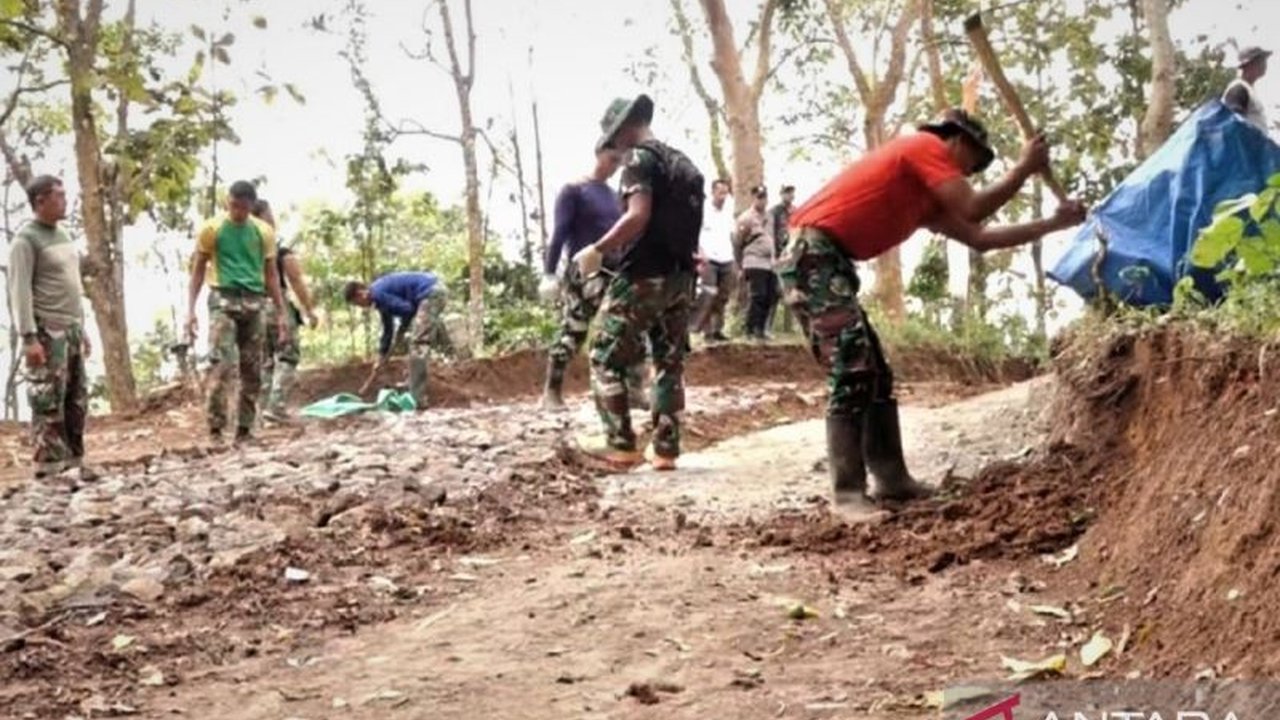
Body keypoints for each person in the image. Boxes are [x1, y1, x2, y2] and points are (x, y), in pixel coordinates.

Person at [782, 108, 1086, 510]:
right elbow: (975, 207)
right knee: (852, 365)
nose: (970, 176)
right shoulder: (924, 145)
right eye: (972, 165)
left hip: (831, 261)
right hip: (812, 253)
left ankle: (891, 478)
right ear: (957, 141)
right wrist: (1024, 168)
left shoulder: (925, 200)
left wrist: (1051, 224)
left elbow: (981, 238)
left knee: (875, 372)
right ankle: (847, 492)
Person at [571, 93, 703, 471]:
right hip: (681, 277)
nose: (616, 148)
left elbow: (637, 217)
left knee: (604, 355)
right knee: (669, 361)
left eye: (615, 139)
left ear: (626, 128)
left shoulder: (638, 160)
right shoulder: (684, 163)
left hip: (644, 274)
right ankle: (665, 450)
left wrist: (597, 250)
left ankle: (621, 445)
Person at [538, 147, 648, 411]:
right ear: (598, 154)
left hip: (613, 269)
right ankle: (551, 391)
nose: (614, 166)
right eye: (612, 159)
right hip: (584, 269)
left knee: (633, 324)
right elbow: (560, 232)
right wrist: (549, 272)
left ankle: (634, 389)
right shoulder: (575, 189)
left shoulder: (614, 196)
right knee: (575, 330)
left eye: (619, 162)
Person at [187, 180, 288, 443]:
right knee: (221, 364)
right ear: (227, 202)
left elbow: (271, 274)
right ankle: (216, 428)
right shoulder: (212, 229)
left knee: (252, 368)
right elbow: (198, 269)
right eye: (232, 206)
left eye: (242, 208)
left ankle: (245, 429)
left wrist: (281, 312)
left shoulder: (263, 232)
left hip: (255, 301)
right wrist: (190, 310)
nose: (237, 212)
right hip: (224, 299)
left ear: (251, 206)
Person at [8, 175, 92, 480]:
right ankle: (49, 469)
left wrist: (81, 327)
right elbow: (19, 291)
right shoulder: (26, 240)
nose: (64, 200)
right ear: (40, 201)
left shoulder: (64, 235)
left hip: (70, 328)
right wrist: (29, 337)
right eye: (58, 195)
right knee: (48, 401)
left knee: (76, 399)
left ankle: (74, 462)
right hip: (47, 331)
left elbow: (73, 285)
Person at [250, 200, 320, 423]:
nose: (273, 219)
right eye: (270, 214)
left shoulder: (246, 252)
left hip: (253, 309)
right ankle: (276, 406)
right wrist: (309, 311)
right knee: (287, 356)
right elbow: (297, 281)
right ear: (263, 218)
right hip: (276, 305)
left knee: (267, 362)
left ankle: (262, 412)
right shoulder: (280, 253)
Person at [343, 271, 447, 407]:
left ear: (361, 293)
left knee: (419, 343)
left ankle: (417, 397)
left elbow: (408, 309)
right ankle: (412, 384)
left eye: (358, 303)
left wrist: (402, 330)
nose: (361, 307)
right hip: (428, 292)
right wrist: (381, 356)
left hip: (431, 293)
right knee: (416, 340)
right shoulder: (378, 296)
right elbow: (388, 330)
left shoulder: (378, 295)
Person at [692, 178, 736, 342]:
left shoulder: (728, 210)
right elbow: (694, 233)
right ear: (713, 192)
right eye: (720, 192)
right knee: (709, 293)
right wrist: (699, 253)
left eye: (725, 192)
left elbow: (731, 234)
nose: (723, 196)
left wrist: (734, 258)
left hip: (726, 256)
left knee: (723, 296)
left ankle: (718, 329)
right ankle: (706, 330)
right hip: (708, 257)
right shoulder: (703, 209)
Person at [735, 185, 777, 341]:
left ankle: (761, 329)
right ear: (753, 198)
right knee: (757, 295)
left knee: (770, 296)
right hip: (754, 261)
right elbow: (738, 242)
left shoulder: (770, 216)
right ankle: (749, 329)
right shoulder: (746, 218)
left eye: (764, 197)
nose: (762, 201)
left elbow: (772, 237)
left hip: (769, 262)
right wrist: (740, 264)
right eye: (759, 197)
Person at [768, 184, 797, 334]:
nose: (790, 195)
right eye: (787, 192)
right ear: (781, 194)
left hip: (792, 255)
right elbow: (770, 234)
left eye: (791, 193)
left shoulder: (797, 211)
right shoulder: (774, 211)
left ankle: (789, 328)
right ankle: (768, 327)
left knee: (791, 289)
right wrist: (773, 254)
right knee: (774, 292)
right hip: (778, 255)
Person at [1223, 46, 1271, 131]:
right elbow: (1232, 122)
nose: (1265, 64)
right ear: (1249, 64)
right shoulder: (1239, 88)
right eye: (1261, 60)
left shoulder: (1248, 89)